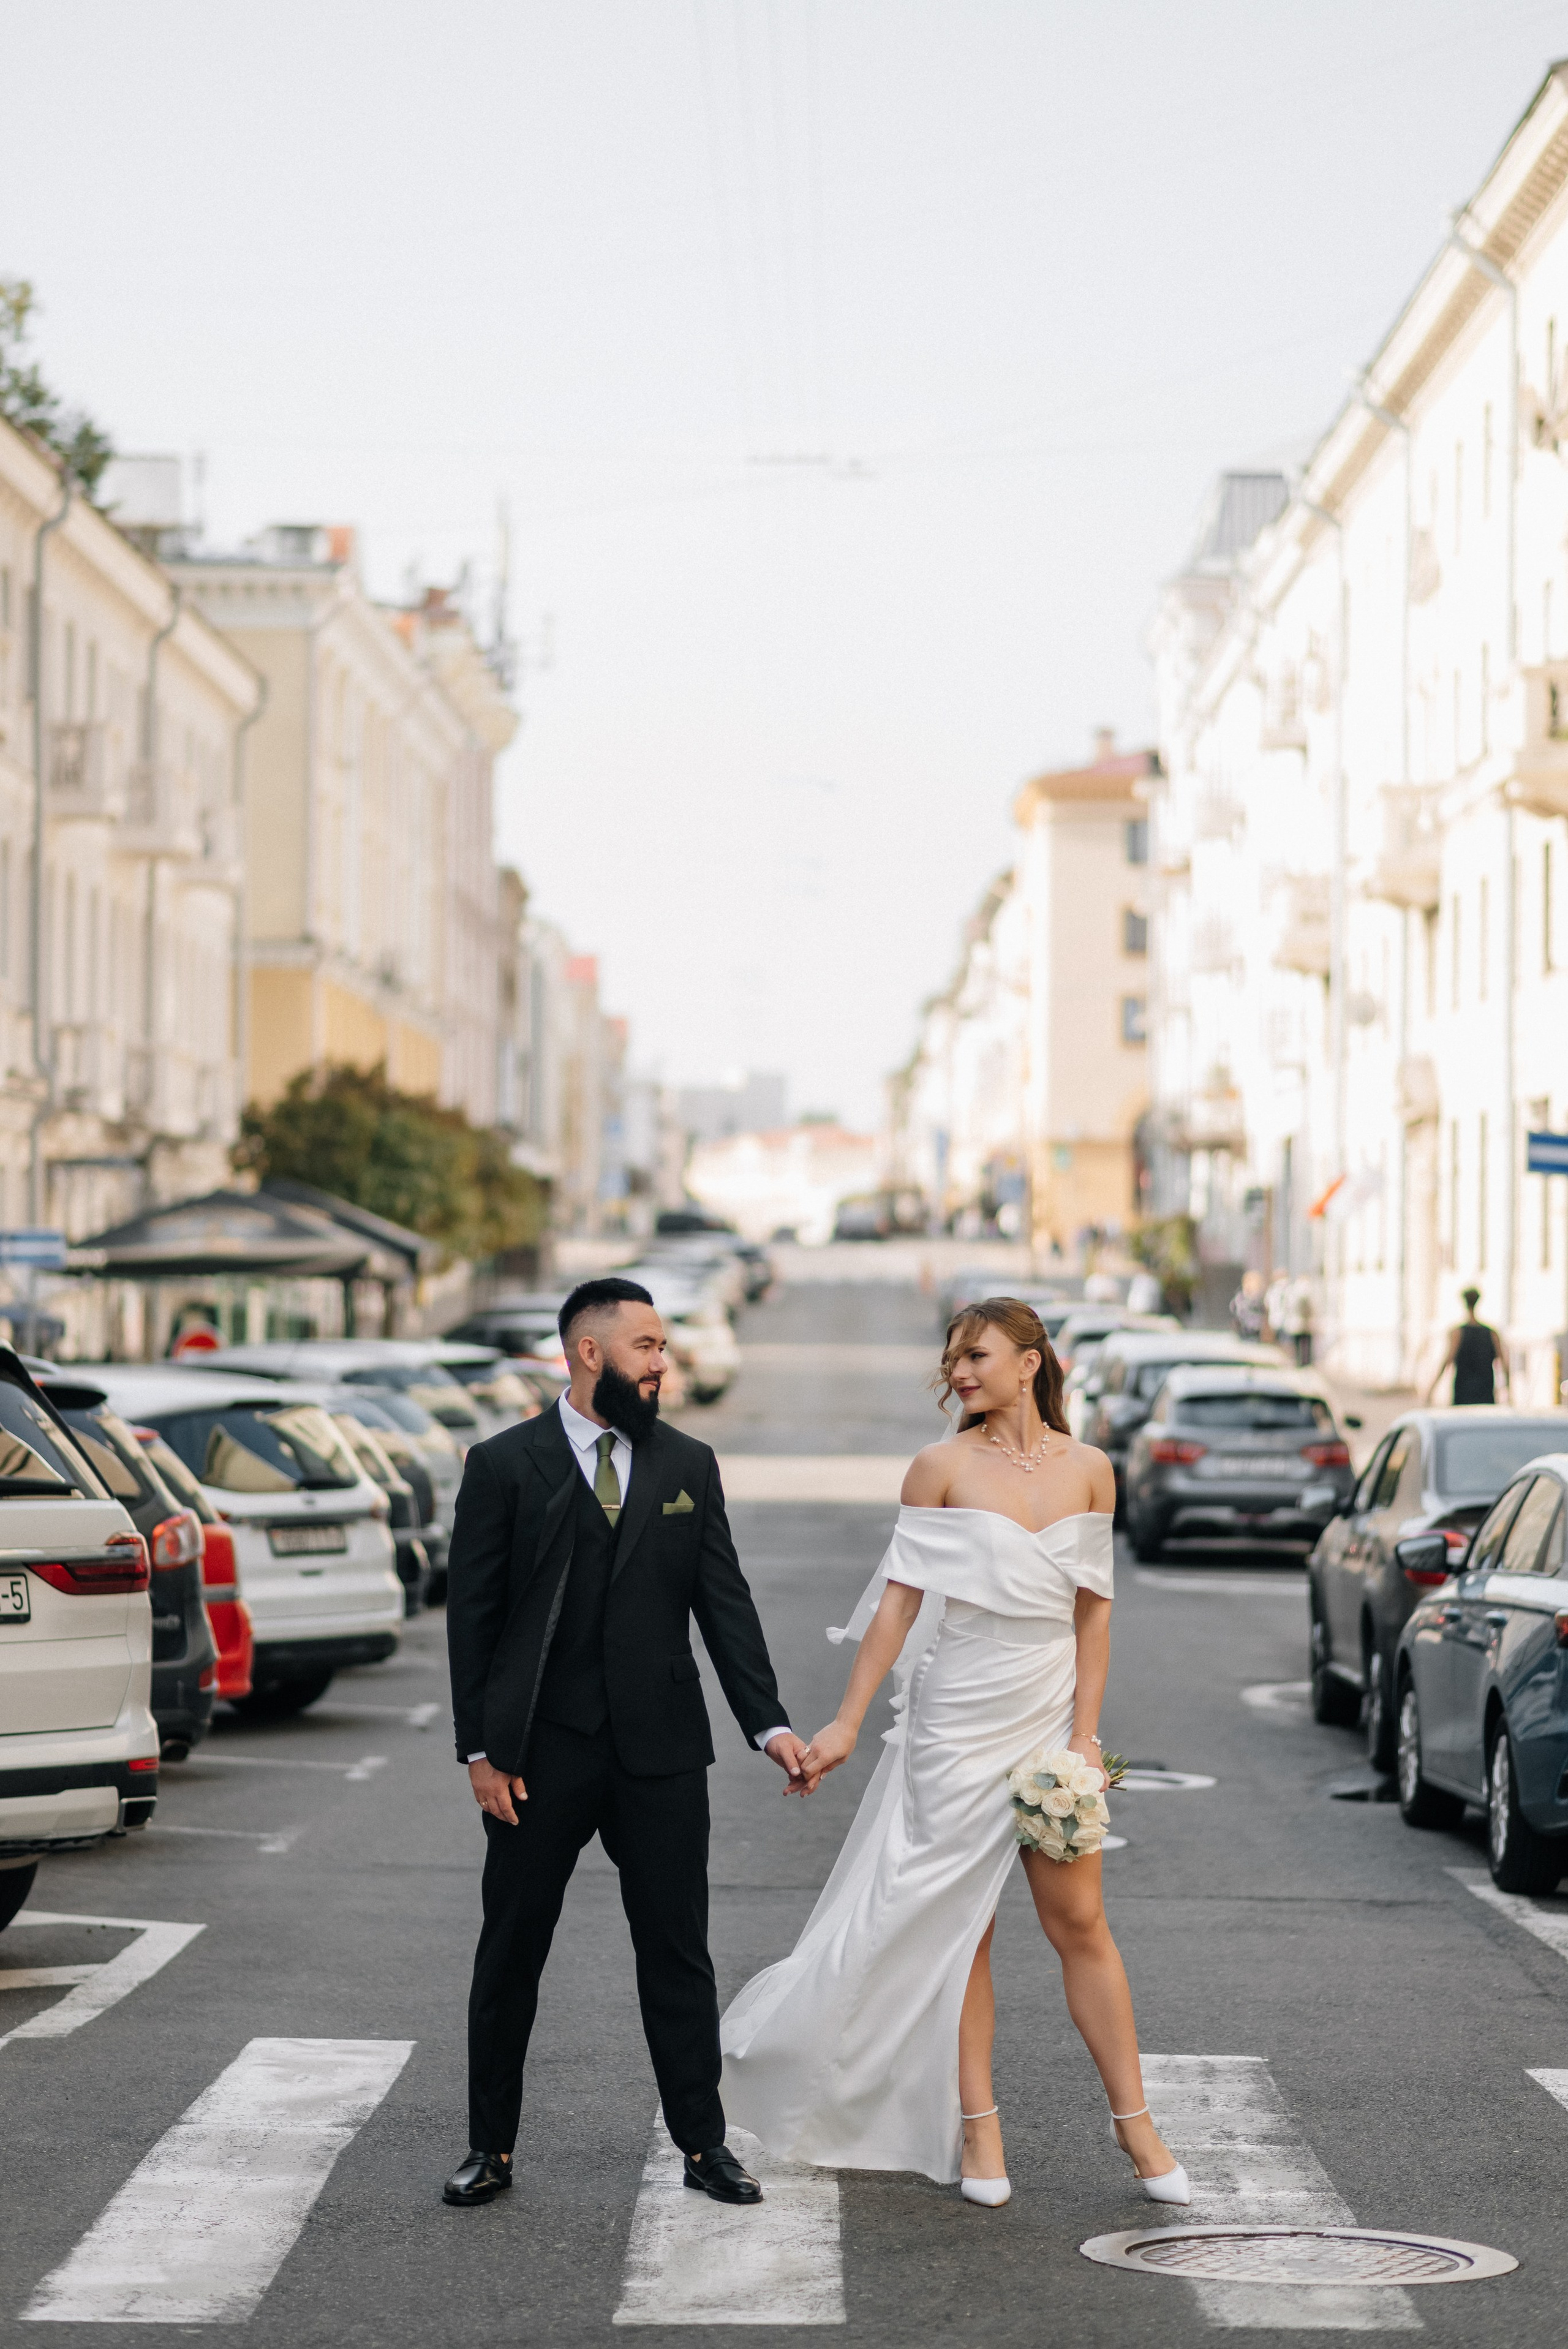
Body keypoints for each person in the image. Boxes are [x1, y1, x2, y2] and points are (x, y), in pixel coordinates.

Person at [719, 1296, 1187, 2209]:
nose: (960, 1371)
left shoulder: (1092, 1468)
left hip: (1046, 1718)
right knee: (961, 1924)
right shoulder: (938, 1466)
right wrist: (849, 1722)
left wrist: (1084, 1736)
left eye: (977, 1354)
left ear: (1030, 1360)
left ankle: (1135, 2123)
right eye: (952, 1359)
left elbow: (1094, 1612)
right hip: (954, 1721)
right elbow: (898, 1604)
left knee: (1080, 1922)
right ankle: (979, 2126)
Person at [442, 1276, 810, 2209]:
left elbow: (724, 1601)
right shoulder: (502, 1463)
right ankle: (491, 2146)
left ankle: (703, 2144)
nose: (663, 1360)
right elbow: (472, 1622)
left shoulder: (688, 1462)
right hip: (539, 1753)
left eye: (664, 1344)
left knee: (678, 1951)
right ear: (589, 1352)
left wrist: (766, 1720)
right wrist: (481, 1753)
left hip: (662, 1750)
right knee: (512, 1948)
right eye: (646, 1344)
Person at [1427, 1286, 1510, 1407]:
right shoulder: (1491, 1333)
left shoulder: (1457, 1333)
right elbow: (1503, 1364)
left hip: (1463, 1392)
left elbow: (1447, 1361)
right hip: (1485, 1391)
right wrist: (1508, 1389)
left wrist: (1432, 1388)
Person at [1229, 1269, 1267, 1341]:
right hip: (1250, 1327)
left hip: (1246, 1327)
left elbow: (1233, 1308)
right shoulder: (1258, 1298)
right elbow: (1263, 1310)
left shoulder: (1240, 1296)